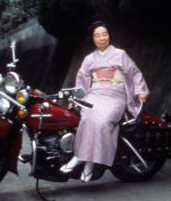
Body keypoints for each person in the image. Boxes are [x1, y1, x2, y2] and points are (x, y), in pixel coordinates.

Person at [60, 21, 149, 181]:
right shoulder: (89, 59)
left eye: (105, 34)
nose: (102, 38)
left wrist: (140, 91)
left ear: (109, 36)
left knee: (102, 122)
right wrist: (77, 98)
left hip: (116, 95)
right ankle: (85, 161)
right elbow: (81, 80)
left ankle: (86, 162)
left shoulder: (120, 54)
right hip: (95, 94)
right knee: (87, 119)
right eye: (98, 35)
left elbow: (134, 73)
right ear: (92, 39)